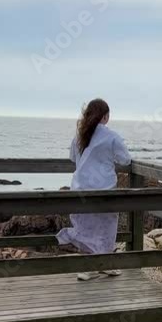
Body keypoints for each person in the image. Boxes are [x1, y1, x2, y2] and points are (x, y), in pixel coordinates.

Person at [56, 98, 132, 281]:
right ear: (105, 116)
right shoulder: (112, 136)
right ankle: (104, 265)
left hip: (81, 187)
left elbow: (73, 158)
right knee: (106, 227)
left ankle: (88, 268)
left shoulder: (80, 135)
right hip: (104, 188)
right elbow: (126, 160)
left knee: (86, 226)